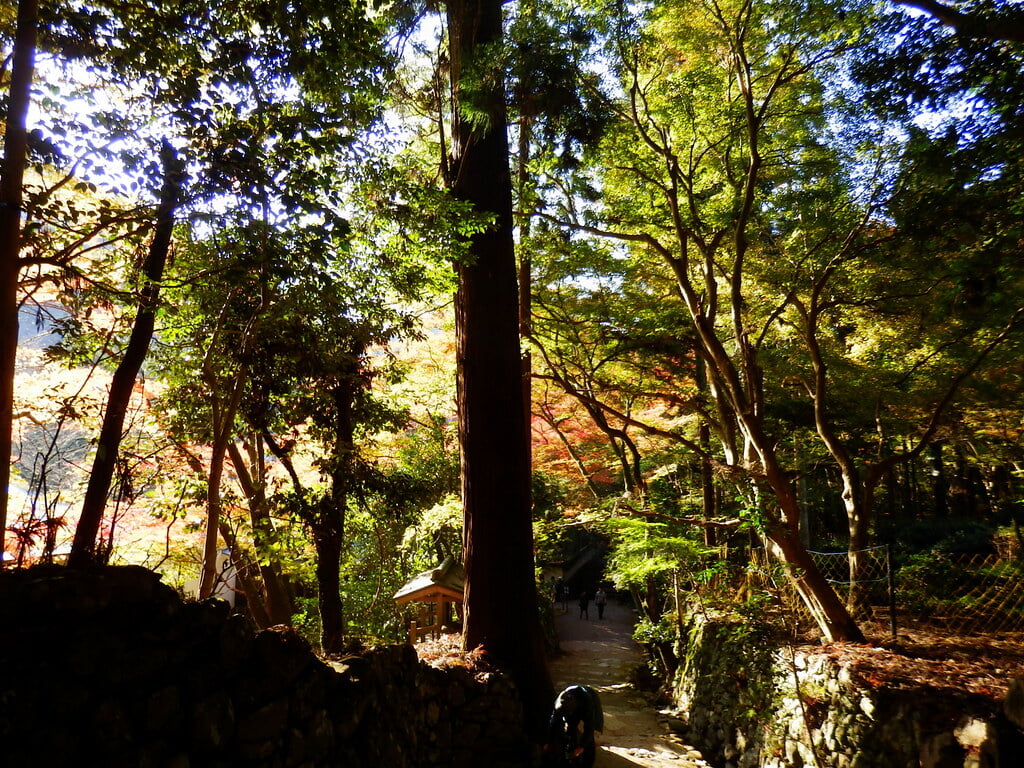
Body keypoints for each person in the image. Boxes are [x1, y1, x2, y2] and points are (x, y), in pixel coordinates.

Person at [543, 684, 603, 768]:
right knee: (569, 731)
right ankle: (569, 757)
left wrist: (582, 746)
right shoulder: (559, 703)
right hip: (573, 706)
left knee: (589, 739)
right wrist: (549, 742)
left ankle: (587, 763)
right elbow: (553, 723)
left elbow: (589, 726)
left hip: (590, 700)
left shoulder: (586, 703)